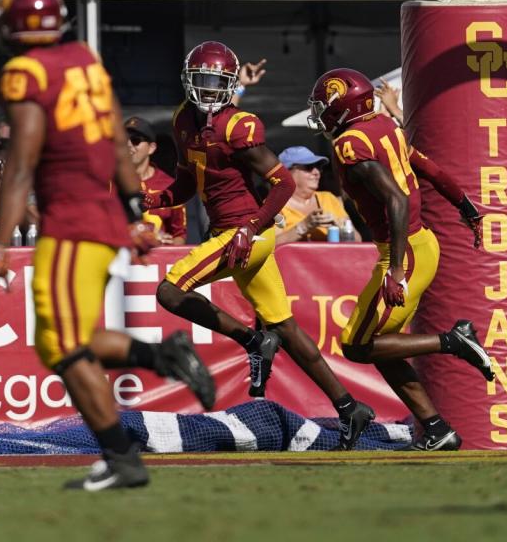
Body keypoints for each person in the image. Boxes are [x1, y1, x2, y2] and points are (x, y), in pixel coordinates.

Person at [0, 0, 215, 491]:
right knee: (59, 341)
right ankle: (163, 357)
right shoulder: (85, 60)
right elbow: (114, 134)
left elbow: (20, 163)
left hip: (70, 221)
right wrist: (134, 208)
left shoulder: (24, 72)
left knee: (64, 345)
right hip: (101, 214)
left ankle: (122, 457)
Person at [145, 41, 375, 450]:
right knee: (285, 326)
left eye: (218, 83)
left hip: (246, 233)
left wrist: (250, 228)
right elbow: (187, 182)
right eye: (203, 81)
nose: (209, 90)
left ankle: (252, 341)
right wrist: (155, 199)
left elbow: (283, 182)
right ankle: (349, 407)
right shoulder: (183, 119)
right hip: (231, 232)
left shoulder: (238, 125)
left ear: (230, 85)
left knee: (169, 290)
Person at [307, 68, 492, 451]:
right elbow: (428, 167)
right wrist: (464, 203)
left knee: (356, 345)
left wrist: (394, 269)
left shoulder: (349, 144)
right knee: (383, 344)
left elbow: (396, 198)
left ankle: (453, 341)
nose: (322, 114)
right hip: (421, 244)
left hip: (403, 252)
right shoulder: (384, 126)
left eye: (326, 106)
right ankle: (437, 428)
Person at [275, 146, 360, 244]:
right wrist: (303, 226)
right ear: (287, 173)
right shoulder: (274, 205)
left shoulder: (328, 198)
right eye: (309, 167)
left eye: (319, 167)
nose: (317, 173)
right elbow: (270, 245)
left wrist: (339, 227)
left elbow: (358, 241)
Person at [125, 116, 186, 245]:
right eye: (124, 140)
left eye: (136, 141)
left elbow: (179, 234)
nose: (129, 145)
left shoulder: (171, 185)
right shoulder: (109, 183)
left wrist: (167, 246)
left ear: (151, 148)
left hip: (158, 261)